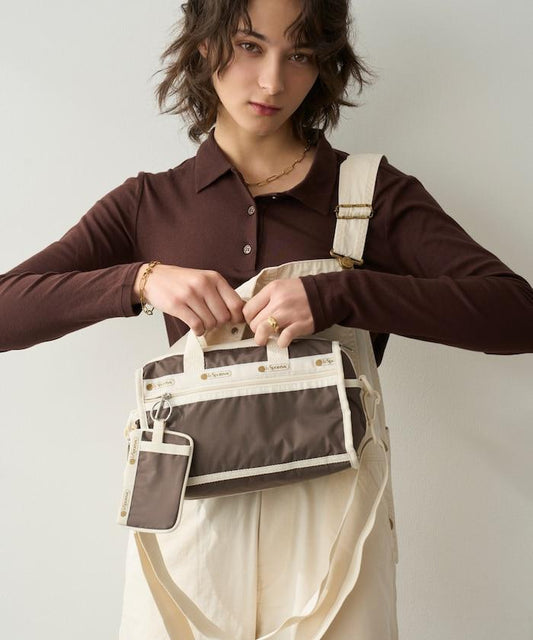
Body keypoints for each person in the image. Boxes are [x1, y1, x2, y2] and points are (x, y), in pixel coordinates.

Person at [1, 0, 532, 638]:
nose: (274, 81)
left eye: (299, 54)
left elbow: (515, 314)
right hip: (187, 529)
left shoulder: (369, 193)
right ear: (205, 46)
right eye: (250, 46)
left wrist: (343, 293)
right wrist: (140, 280)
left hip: (337, 531)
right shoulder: (151, 202)